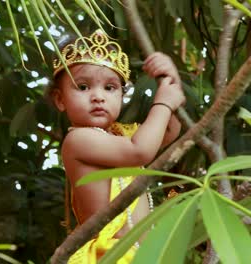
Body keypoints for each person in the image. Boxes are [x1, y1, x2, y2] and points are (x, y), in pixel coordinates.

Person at [49, 29, 185, 263]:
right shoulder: (78, 140)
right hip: (110, 254)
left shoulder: (122, 135)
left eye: (109, 88)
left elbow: (170, 130)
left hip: (142, 255)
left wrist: (171, 80)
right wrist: (163, 102)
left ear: (122, 95)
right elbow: (140, 150)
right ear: (60, 100)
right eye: (83, 87)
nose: (98, 97)